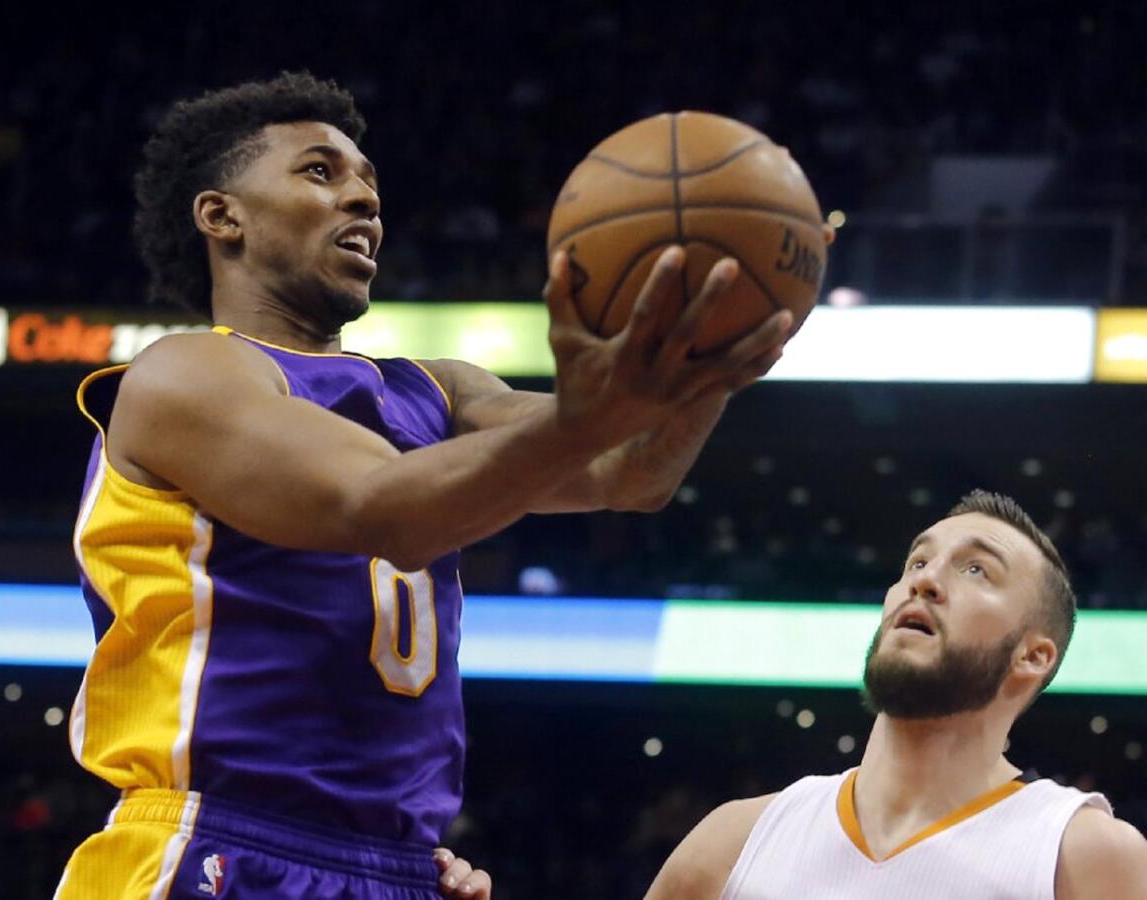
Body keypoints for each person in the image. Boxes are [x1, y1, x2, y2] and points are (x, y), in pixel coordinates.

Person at [54, 71, 800, 899]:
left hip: (400, 866)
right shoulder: (183, 375)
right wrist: (591, 414)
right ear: (220, 215)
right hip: (217, 847)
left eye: (371, 185)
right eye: (320, 172)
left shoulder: (439, 390)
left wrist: (715, 353)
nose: (364, 201)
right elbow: (384, 509)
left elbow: (630, 472)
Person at [645, 490, 1147, 899]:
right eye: (917, 562)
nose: (925, 580)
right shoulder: (730, 843)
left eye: (976, 570)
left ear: (1032, 656)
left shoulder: (1086, 858)